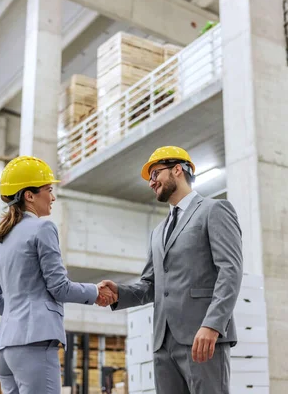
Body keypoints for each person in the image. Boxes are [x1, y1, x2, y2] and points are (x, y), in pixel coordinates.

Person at [100, 146, 243, 394]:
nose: (151, 183)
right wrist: (119, 293)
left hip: (202, 336)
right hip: (164, 343)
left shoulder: (214, 210)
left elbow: (230, 270)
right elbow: (151, 285)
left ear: (177, 169)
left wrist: (213, 324)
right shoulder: (159, 231)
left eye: (155, 174)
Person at [0, 155, 115, 394]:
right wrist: (95, 292)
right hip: (33, 345)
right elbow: (59, 288)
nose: (52, 197)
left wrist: (19, 307)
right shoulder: (43, 228)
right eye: (48, 190)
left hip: (4, 351)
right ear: (29, 195)